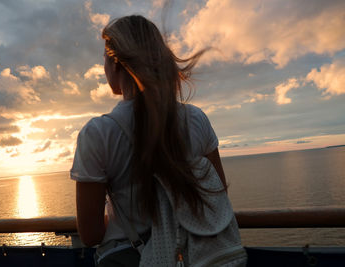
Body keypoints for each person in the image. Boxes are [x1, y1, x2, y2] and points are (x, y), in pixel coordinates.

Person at [70, 15, 244, 266]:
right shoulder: (195, 119)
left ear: (116, 63)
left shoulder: (98, 133)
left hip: (126, 258)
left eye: (104, 60)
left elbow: (90, 234)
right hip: (192, 255)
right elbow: (216, 194)